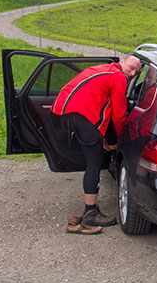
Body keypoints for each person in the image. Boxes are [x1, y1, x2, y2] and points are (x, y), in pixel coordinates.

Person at [52, 54, 142, 233]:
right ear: (121, 61)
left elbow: (101, 109)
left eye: (136, 72)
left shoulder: (106, 70)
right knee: (95, 160)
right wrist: (121, 139)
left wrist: (103, 137)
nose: (132, 74)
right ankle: (90, 213)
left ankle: (90, 209)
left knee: (94, 151)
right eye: (131, 68)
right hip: (78, 114)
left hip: (63, 110)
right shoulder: (118, 77)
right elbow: (118, 114)